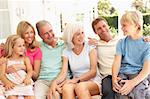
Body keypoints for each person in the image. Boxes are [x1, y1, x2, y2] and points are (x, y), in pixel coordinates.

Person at [48, 23, 101, 99]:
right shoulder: (66, 51)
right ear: (71, 36)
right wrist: (54, 83)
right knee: (66, 88)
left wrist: (76, 80)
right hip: (76, 81)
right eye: (77, 34)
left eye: (82, 33)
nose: (81, 36)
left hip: (93, 81)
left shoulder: (90, 47)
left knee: (80, 87)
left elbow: (93, 71)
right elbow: (63, 73)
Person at [112, 10, 150, 99]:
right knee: (120, 91)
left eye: (124, 25)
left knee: (138, 92)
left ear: (136, 25)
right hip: (123, 73)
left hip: (138, 74)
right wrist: (114, 78)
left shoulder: (147, 44)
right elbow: (116, 62)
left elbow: (146, 69)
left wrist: (132, 83)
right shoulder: (121, 43)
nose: (121, 28)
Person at [34, 20, 65, 99]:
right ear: (40, 36)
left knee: (54, 96)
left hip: (60, 80)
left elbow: (79, 39)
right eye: (46, 33)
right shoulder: (38, 47)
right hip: (43, 81)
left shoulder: (64, 44)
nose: (50, 35)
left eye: (51, 31)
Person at [90, 17, 118, 99]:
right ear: (95, 32)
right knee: (108, 91)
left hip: (121, 73)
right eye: (99, 28)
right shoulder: (95, 45)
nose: (103, 29)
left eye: (104, 26)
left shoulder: (119, 41)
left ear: (108, 26)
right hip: (107, 76)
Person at [0, 35, 34, 99]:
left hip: (24, 83)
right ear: (12, 48)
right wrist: (7, 83)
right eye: (19, 46)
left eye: (23, 45)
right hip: (12, 84)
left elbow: (30, 70)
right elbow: (1, 75)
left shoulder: (25, 59)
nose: (22, 48)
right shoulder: (5, 60)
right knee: (11, 97)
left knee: (31, 97)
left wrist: (27, 78)